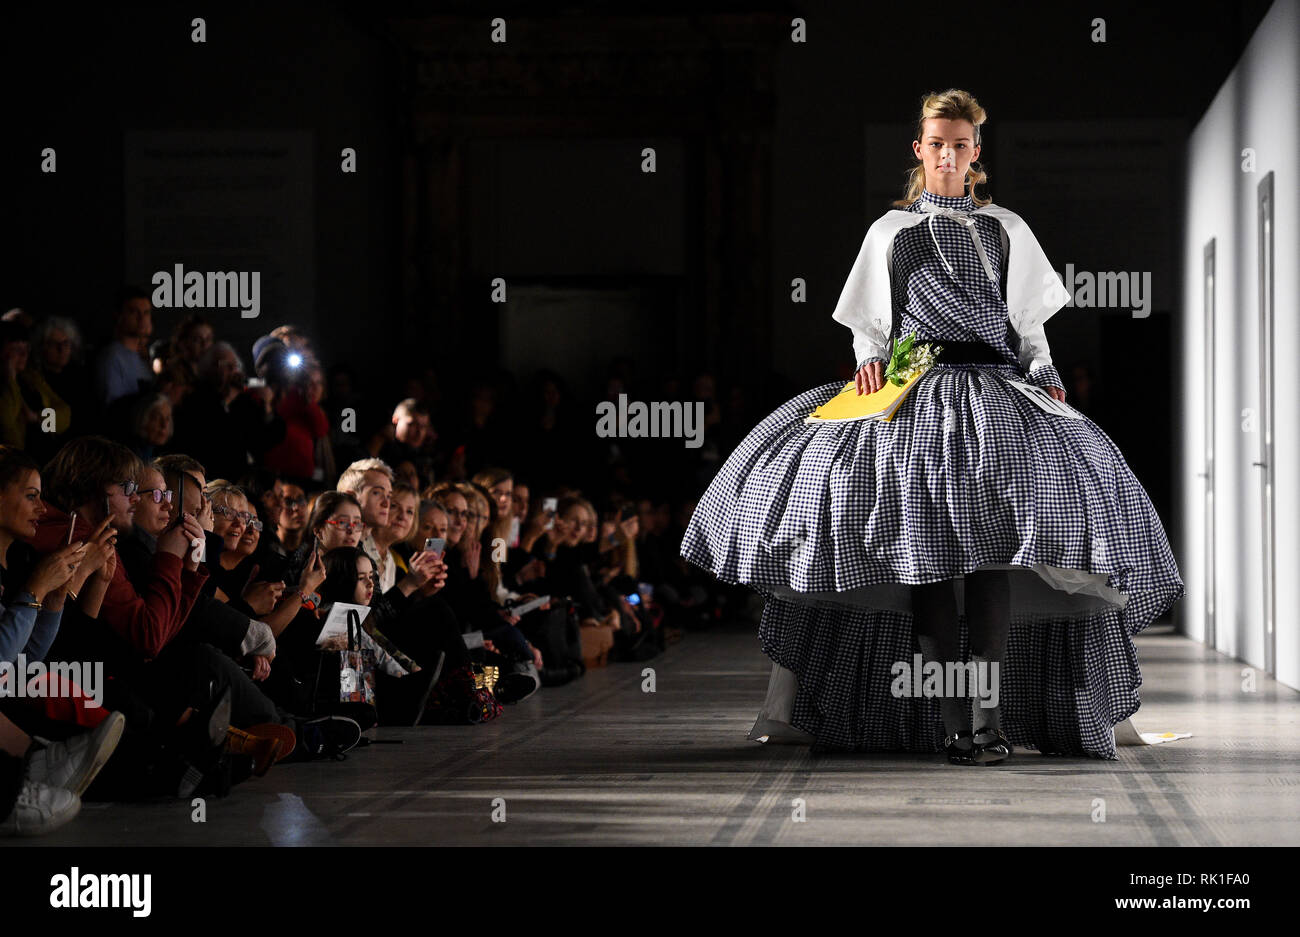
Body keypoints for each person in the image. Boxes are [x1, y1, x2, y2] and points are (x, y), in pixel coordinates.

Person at [679, 88, 1184, 764]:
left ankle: (991, 719)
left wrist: (1046, 369)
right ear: (919, 149)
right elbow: (869, 324)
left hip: (996, 395)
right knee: (929, 561)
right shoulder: (890, 232)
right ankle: (954, 723)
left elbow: (1029, 322)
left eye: (960, 143)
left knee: (993, 558)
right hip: (913, 395)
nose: (948, 154)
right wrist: (867, 364)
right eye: (936, 143)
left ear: (977, 150)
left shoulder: (1006, 227)